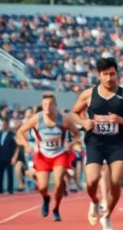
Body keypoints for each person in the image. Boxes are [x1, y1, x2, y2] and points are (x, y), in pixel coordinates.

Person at [71, 57, 123, 230]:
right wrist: (83, 122)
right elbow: (74, 112)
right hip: (95, 142)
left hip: (116, 144)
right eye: (105, 74)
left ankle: (107, 215)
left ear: (117, 74)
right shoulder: (89, 94)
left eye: (112, 74)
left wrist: (122, 120)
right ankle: (94, 201)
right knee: (92, 179)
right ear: (99, 76)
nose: (110, 78)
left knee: (116, 182)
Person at [17, 93, 83, 221]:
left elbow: (78, 135)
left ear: (55, 106)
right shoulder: (36, 119)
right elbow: (20, 132)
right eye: (45, 104)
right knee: (42, 186)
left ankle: (56, 208)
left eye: (50, 104)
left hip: (59, 154)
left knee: (58, 183)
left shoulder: (64, 119)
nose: (47, 107)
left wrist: (71, 143)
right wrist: (26, 144)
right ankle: (46, 198)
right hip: (42, 155)